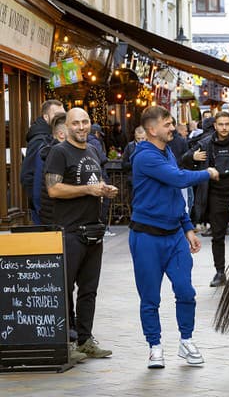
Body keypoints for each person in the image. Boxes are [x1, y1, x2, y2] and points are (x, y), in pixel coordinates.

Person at [128, 105, 219, 369]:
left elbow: (173, 196)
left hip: (174, 236)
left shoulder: (166, 151)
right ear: (152, 129)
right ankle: (155, 346)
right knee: (150, 298)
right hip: (146, 237)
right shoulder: (144, 156)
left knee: (186, 291)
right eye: (167, 124)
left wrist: (188, 227)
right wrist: (207, 173)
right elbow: (177, 179)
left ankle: (186, 340)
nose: (172, 128)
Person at [44, 107, 118, 359]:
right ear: (66, 127)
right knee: (65, 289)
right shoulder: (58, 151)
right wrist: (88, 190)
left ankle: (86, 340)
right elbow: (53, 189)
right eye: (76, 123)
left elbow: (91, 184)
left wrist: (103, 190)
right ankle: (66, 343)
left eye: (85, 122)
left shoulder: (93, 150)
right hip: (69, 231)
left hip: (93, 230)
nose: (82, 127)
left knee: (89, 289)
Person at [182, 111, 229, 287]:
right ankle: (220, 272)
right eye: (221, 124)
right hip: (216, 195)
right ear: (215, 126)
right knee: (217, 236)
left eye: (227, 124)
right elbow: (183, 160)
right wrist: (192, 157)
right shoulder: (205, 143)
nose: (224, 128)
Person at [21, 99, 65, 223]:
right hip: (43, 210)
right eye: (57, 115)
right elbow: (27, 175)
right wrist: (39, 207)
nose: (61, 118)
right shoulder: (40, 140)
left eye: (63, 115)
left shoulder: (48, 136)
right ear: (46, 116)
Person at [121, 126, 147, 204]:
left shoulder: (151, 146)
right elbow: (123, 164)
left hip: (147, 180)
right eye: (138, 139)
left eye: (143, 138)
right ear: (135, 137)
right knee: (134, 204)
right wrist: (135, 164)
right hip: (133, 180)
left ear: (146, 137)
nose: (140, 141)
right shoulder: (129, 147)